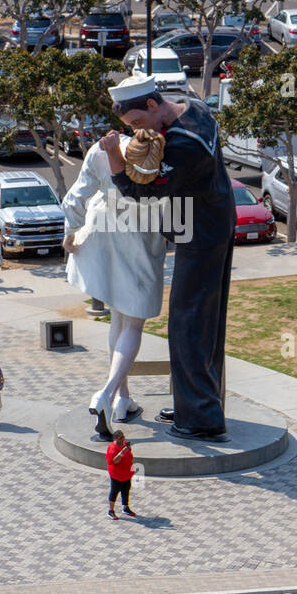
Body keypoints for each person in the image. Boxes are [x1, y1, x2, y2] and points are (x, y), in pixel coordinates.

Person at [103, 74, 237, 440]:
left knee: (188, 327)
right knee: (207, 325)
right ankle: (197, 403)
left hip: (201, 234)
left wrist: (114, 153)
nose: (137, 133)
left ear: (151, 105)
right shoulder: (195, 108)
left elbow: (138, 192)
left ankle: (201, 421)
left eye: (137, 124)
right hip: (216, 220)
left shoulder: (183, 145)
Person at [60, 132, 167, 436]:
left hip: (102, 232)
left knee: (118, 319)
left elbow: (76, 197)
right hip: (141, 238)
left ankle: (123, 398)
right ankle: (107, 393)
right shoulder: (159, 150)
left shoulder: (101, 148)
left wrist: (70, 233)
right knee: (132, 325)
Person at [106, 429, 137, 520]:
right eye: (121, 437)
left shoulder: (125, 444)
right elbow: (114, 461)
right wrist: (122, 452)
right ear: (115, 439)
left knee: (126, 490)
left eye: (123, 436)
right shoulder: (112, 449)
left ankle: (126, 507)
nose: (123, 438)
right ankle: (111, 510)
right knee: (114, 492)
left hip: (127, 473)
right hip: (117, 475)